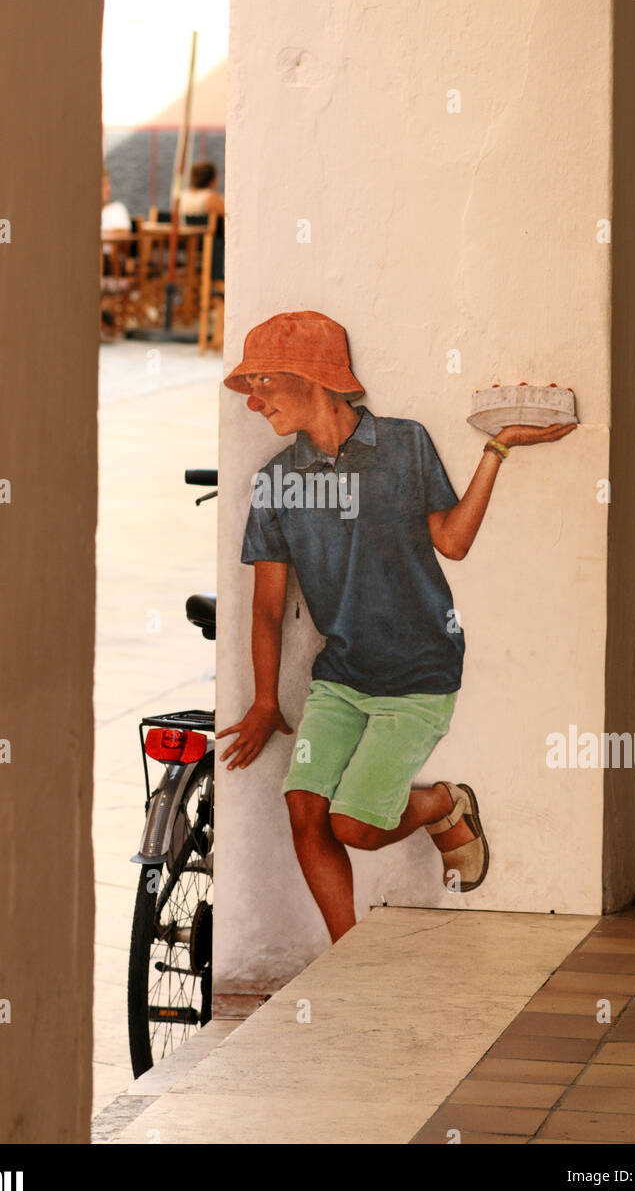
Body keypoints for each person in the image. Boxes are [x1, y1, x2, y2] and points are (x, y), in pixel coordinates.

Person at [218, 310, 576, 944]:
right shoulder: (276, 482)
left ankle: (443, 803)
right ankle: (345, 953)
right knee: (304, 808)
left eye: (265, 380)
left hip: (419, 673)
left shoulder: (406, 445)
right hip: (341, 678)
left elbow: (452, 542)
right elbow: (267, 606)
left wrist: (498, 450)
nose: (253, 401)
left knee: (354, 826)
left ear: (316, 378)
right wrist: (266, 700)